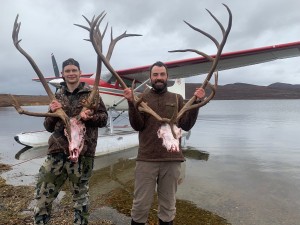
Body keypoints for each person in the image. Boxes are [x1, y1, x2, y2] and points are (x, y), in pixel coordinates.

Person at [123, 61, 206, 225]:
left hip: (172, 161)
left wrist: (196, 104)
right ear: (150, 77)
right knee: (140, 207)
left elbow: (187, 125)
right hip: (146, 159)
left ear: (167, 77)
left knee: (168, 207)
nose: (159, 77)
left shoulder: (177, 99)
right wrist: (132, 103)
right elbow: (137, 125)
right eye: (155, 75)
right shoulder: (142, 99)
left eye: (162, 74)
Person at [33, 58, 108, 225]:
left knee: (80, 199)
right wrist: (52, 112)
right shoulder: (57, 95)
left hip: (83, 154)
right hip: (56, 153)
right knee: (43, 194)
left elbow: (103, 119)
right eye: (67, 71)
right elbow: (48, 126)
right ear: (63, 74)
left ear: (80, 73)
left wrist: (90, 117)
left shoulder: (92, 94)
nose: (71, 73)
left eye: (74, 70)